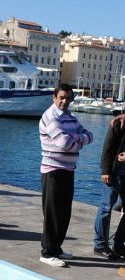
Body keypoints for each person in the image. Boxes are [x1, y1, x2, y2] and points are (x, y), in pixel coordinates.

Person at [39, 83, 93, 267]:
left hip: (68, 170)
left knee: (64, 213)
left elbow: (89, 135)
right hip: (53, 170)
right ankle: (46, 253)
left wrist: (76, 139)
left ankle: (56, 248)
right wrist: (78, 140)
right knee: (52, 213)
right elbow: (64, 143)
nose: (64, 101)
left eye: (68, 98)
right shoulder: (49, 117)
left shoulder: (71, 117)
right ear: (54, 97)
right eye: (61, 97)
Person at [93, 120, 125, 259]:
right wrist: (105, 170)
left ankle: (118, 244)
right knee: (106, 208)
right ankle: (100, 245)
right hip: (115, 172)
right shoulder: (118, 124)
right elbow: (108, 147)